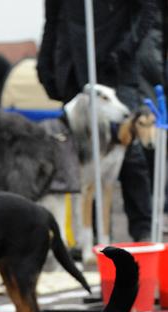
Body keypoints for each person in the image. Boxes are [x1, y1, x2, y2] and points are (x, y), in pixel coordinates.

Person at [37, 0, 158, 242]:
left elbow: (147, 9)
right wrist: (45, 63)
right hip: (73, 65)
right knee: (80, 159)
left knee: (129, 152)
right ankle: (89, 238)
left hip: (117, 65)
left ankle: (142, 231)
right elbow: (52, 18)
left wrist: (126, 47)